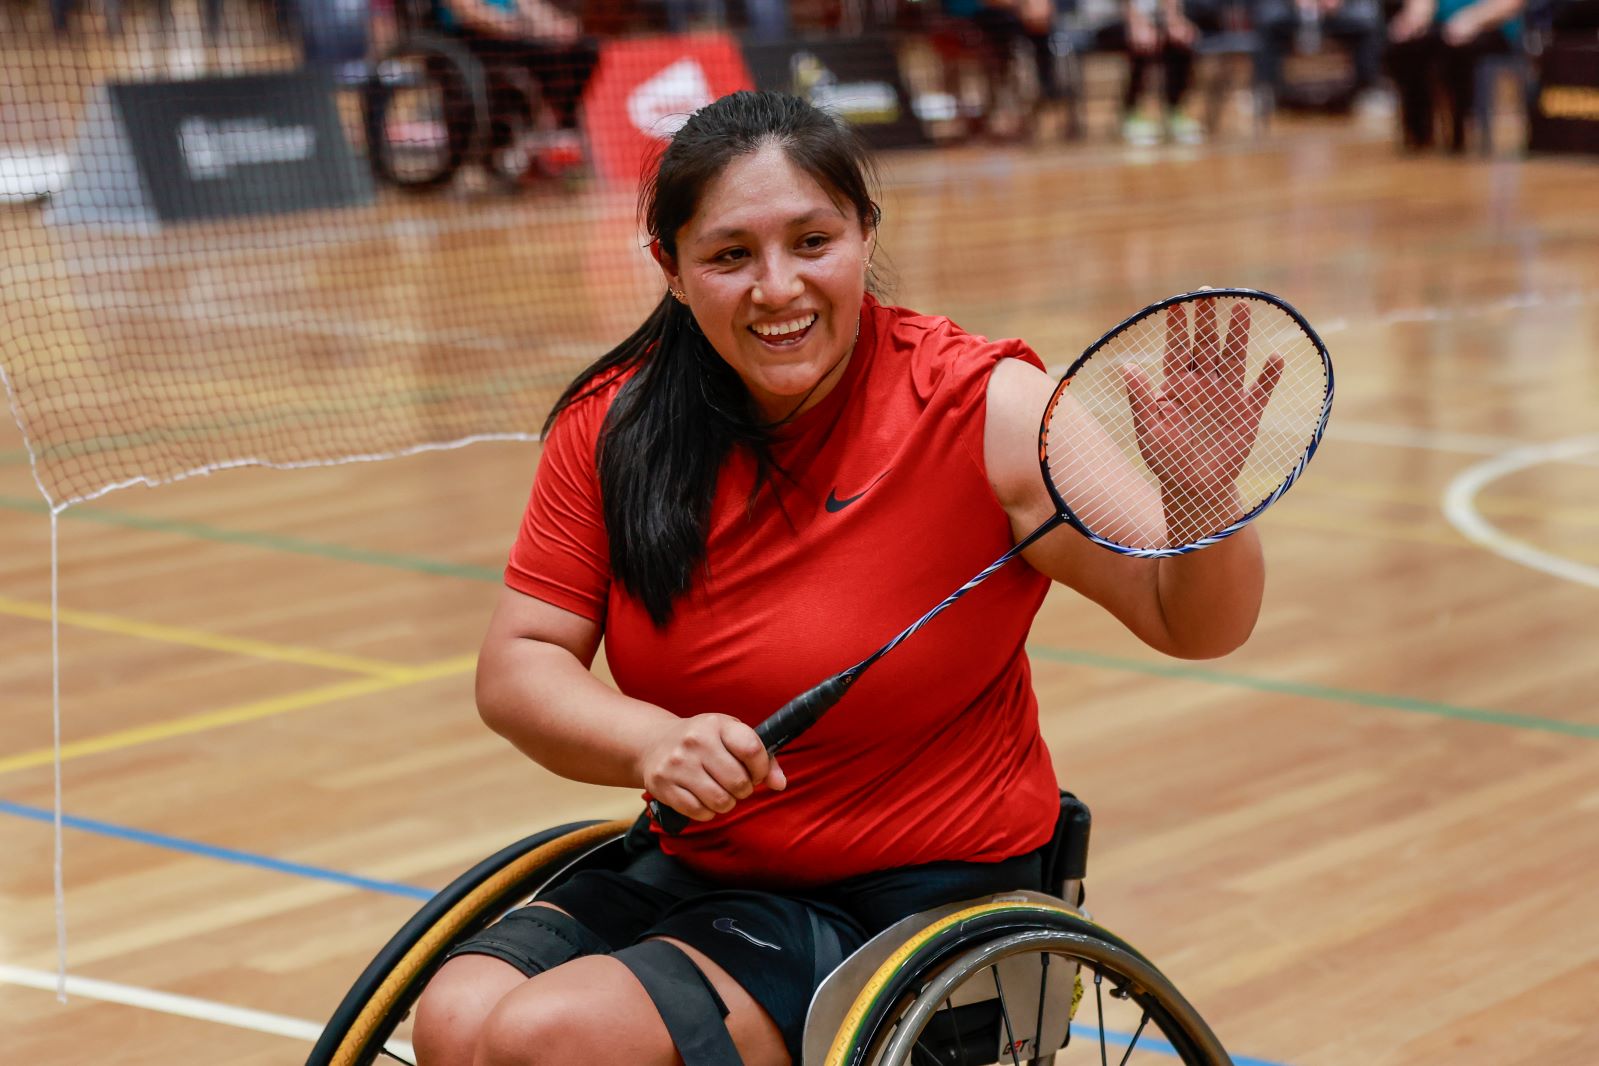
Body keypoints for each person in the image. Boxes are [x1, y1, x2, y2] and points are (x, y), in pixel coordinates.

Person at [410, 90, 1273, 1066]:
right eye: (730, 256)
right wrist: (650, 739)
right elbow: (520, 665)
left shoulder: (982, 408)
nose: (778, 288)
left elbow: (1192, 622)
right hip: (700, 870)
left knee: (548, 1038)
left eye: (812, 242)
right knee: (454, 1018)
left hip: (923, 905)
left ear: (866, 232)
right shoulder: (615, 426)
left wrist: (1203, 501)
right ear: (673, 268)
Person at [434, 0, 600, 177]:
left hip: (514, 34)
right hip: (471, 39)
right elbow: (469, 12)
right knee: (549, 55)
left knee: (585, 49)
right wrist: (520, 29)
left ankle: (560, 130)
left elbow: (527, 4)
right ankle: (540, 139)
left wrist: (556, 24)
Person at [1385, 0, 1527, 151]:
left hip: (1492, 25)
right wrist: (1413, 19)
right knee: (1409, 47)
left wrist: (1472, 20)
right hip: (1445, 26)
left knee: (1458, 52)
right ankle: (1418, 129)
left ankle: (1461, 126)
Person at [1095, 0, 1223, 144]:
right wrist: (1136, 23)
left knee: (1180, 42)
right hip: (1108, 22)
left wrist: (1176, 23)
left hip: (1155, 23)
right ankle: (1131, 113)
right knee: (1142, 45)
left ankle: (1174, 110)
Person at [1253, 0, 1385, 111]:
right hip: (1290, 7)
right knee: (1267, 17)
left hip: (1341, 7)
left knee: (1368, 20)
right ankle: (1267, 89)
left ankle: (1368, 88)